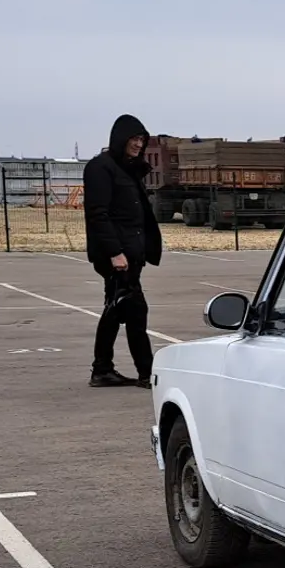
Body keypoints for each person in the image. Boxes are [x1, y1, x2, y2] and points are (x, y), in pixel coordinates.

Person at [82, 114, 163, 387]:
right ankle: (146, 373)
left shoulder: (129, 169)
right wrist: (115, 253)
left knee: (116, 311)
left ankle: (102, 369)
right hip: (117, 257)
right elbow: (98, 215)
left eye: (142, 139)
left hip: (132, 255)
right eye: (134, 139)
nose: (139, 144)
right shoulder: (100, 168)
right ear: (120, 139)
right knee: (136, 311)